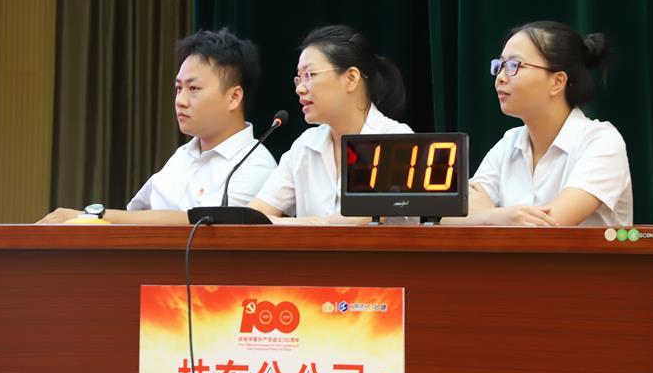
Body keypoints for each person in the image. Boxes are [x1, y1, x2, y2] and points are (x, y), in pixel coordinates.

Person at [38, 28, 277, 225]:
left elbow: (202, 225)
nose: (180, 100)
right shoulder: (181, 157)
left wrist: (92, 216)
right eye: (178, 88)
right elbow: (134, 217)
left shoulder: (255, 165)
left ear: (234, 97)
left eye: (193, 89)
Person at [443, 20, 632, 227]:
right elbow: (447, 217)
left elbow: (546, 226)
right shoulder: (509, 143)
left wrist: (485, 215)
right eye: (499, 65)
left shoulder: (601, 142)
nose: (500, 78)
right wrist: (500, 216)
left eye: (514, 65)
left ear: (557, 82)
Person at [249, 25, 413, 224]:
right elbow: (253, 217)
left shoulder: (395, 138)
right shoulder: (305, 146)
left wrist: (309, 225)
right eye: (299, 78)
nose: (300, 89)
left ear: (351, 78)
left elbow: (366, 217)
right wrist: (307, 224)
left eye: (310, 75)